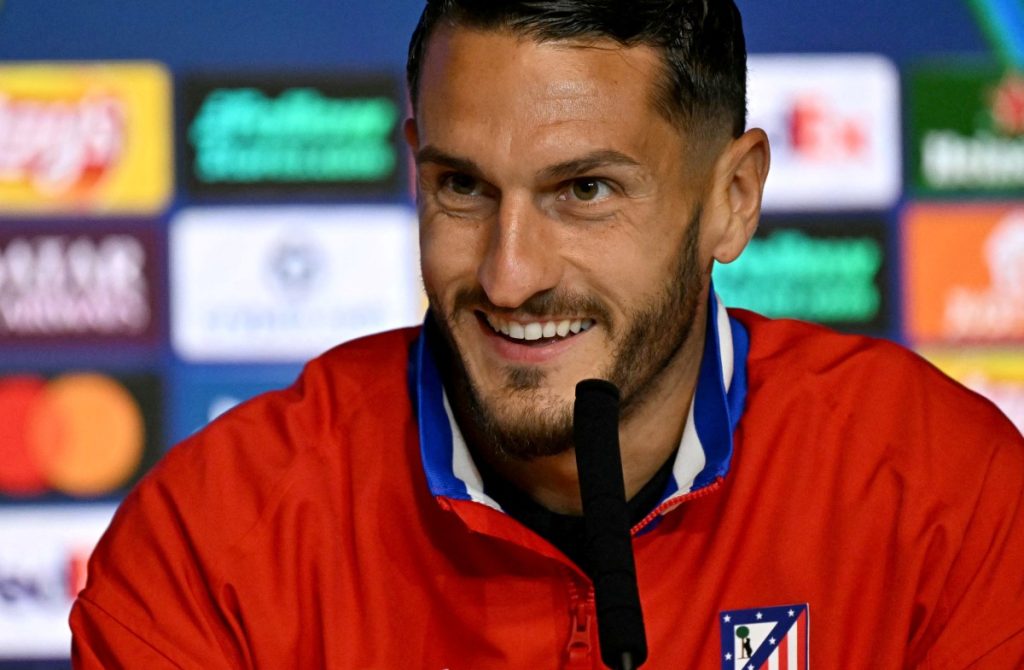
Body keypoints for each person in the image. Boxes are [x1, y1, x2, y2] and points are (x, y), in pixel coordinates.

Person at [71, 1, 1024, 668]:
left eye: (585, 190)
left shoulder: (947, 495)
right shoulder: (212, 543)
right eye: (462, 187)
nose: (509, 274)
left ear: (733, 198)